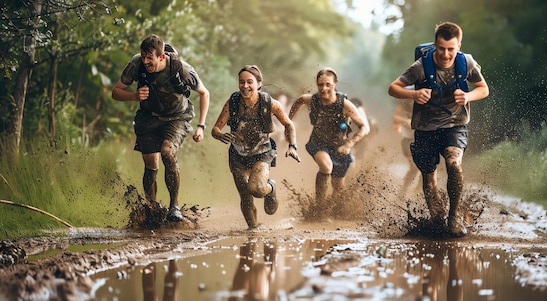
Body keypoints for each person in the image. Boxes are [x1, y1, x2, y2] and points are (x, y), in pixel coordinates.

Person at [388, 22, 489, 237]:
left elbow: (484, 89)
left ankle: (453, 217)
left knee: (454, 164)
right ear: (435, 44)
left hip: (455, 125)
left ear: (459, 46)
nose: (445, 54)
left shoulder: (467, 62)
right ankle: (436, 220)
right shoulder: (420, 66)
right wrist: (414, 94)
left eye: (451, 49)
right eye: (441, 48)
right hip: (425, 128)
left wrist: (467, 96)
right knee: (429, 176)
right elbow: (393, 88)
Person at [112, 34, 210, 222]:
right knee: (151, 163)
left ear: (161, 56)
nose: (146, 61)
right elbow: (115, 92)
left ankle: (174, 206)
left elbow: (204, 93)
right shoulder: (136, 64)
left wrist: (201, 127)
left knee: (167, 152)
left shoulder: (181, 68)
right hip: (148, 118)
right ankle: (151, 209)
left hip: (177, 117)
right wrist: (134, 96)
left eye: (150, 57)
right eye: (143, 56)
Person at [211, 65, 301, 229]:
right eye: (242, 82)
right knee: (245, 196)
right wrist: (221, 135)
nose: (245, 86)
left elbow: (289, 124)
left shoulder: (269, 103)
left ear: (259, 84)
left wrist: (292, 146)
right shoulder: (232, 103)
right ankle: (253, 230)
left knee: (257, 189)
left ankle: (270, 188)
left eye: (249, 82)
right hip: (237, 155)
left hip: (262, 153)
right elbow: (215, 129)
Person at [289, 68, 370, 207]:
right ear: (316, 84)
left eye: (328, 84)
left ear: (335, 84)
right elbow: (299, 100)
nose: (324, 88)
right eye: (320, 85)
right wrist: (289, 121)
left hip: (340, 147)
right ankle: (319, 206)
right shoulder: (312, 100)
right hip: (318, 143)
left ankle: (333, 210)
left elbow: (365, 127)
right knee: (327, 167)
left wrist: (349, 144)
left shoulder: (344, 104)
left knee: (338, 188)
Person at [393, 99, 420, 197]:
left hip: (425, 139)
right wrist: (407, 121)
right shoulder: (406, 102)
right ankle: (403, 191)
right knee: (414, 167)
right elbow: (396, 117)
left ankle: (420, 191)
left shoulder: (432, 101)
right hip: (408, 139)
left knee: (428, 168)